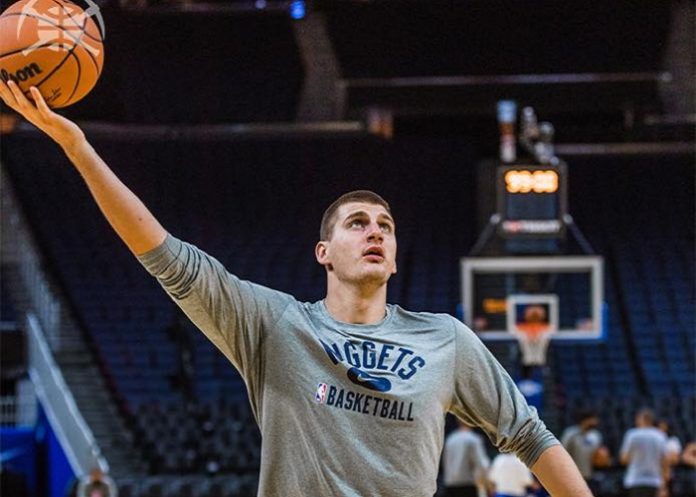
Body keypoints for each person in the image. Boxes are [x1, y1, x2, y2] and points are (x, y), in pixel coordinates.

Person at [0, 80, 594, 497]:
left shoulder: (446, 339)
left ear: (393, 259)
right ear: (323, 253)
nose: (375, 233)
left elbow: (531, 437)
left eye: (386, 227)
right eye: (357, 224)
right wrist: (79, 148)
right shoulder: (274, 324)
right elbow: (161, 251)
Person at [620, 408, 669, 497]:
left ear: (640, 419)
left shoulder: (632, 434)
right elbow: (665, 462)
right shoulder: (660, 435)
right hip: (654, 481)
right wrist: (664, 485)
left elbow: (624, 459)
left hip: (635, 480)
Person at [561, 409, 610, 494]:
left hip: (589, 476)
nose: (596, 422)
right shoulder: (570, 434)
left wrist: (604, 458)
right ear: (586, 420)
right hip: (572, 477)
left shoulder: (596, 435)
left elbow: (599, 456)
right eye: (593, 419)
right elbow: (562, 454)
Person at [442, 420, 490, 497]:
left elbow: (445, 463)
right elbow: (481, 464)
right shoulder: (473, 439)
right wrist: (486, 482)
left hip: (450, 485)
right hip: (467, 485)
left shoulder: (450, 439)